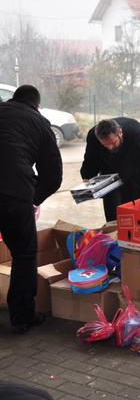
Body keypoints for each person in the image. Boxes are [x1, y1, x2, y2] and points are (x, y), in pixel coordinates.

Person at [0, 85, 62, 334]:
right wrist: (33, 198)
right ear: (37, 105)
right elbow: (53, 174)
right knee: (24, 254)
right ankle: (22, 317)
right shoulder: (39, 123)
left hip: (13, 190)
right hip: (14, 194)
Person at [80, 117, 140, 221]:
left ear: (120, 132)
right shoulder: (93, 137)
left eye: (113, 143)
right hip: (112, 170)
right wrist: (87, 178)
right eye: (105, 145)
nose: (110, 147)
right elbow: (91, 161)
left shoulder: (139, 135)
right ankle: (114, 228)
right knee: (113, 212)